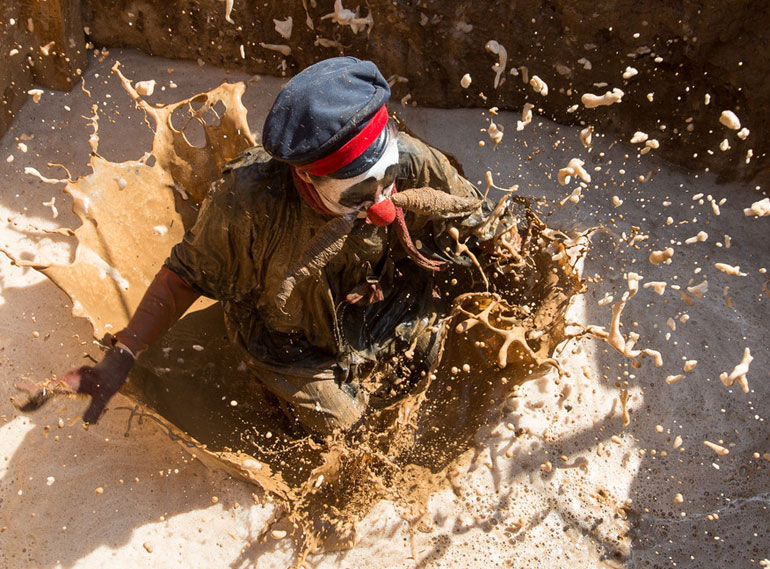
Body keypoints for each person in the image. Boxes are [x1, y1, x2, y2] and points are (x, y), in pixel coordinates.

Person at [60, 57, 513, 436]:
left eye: (388, 181)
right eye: (355, 195)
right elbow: (184, 278)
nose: (380, 204)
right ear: (305, 176)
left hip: (391, 306)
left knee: (470, 356)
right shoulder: (245, 204)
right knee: (352, 435)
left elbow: (481, 221)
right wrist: (122, 356)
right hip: (293, 346)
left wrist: (515, 260)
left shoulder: (414, 160)